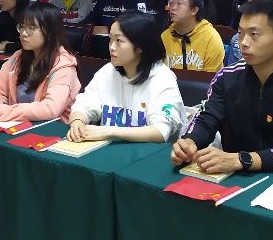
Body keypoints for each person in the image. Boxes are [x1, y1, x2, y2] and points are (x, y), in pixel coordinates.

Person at [171, 0, 273, 174]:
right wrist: (189, 142)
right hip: (235, 175)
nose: (243, 43)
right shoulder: (226, 77)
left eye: (254, 34)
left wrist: (242, 159)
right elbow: (206, 119)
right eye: (240, 33)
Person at [68, 12, 186, 143]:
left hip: (152, 152)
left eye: (119, 41)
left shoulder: (162, 78)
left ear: (140, 46)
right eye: (110, 39)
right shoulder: (108, 71)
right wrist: (77, 121)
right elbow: (84, 104)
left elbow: (161, 132)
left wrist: (109, 131)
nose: (111, 47)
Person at [0, 4, 81, 123]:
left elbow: (50, 109)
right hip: (20, 125)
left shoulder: (64, 64)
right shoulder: (18, 57)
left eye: (31, 28)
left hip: (53, 129)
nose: (23, 33)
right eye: (22, 27)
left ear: (49, 32)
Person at [161, 0, 224, 72]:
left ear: (194, 10)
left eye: (179, 3)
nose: (173, 8)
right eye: (172, 3)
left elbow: (211, 77)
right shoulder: (166, 35)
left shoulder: (211, 38)